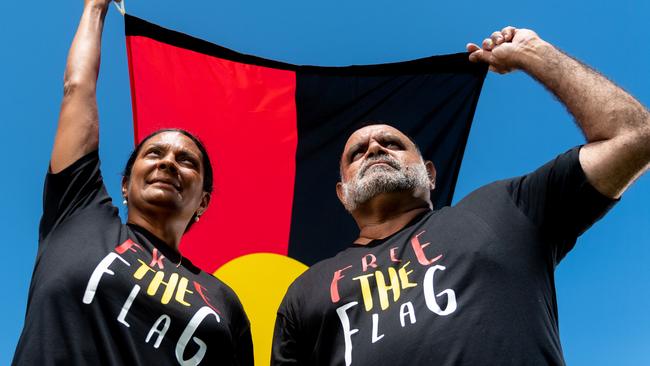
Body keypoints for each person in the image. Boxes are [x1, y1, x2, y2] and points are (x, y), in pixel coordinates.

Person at [271, 26, 650, 365]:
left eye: (391, 142)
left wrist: (534, 54)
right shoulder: (304, 292)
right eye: (357, 152)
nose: (374, 149)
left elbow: (635, 136)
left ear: (430, 174)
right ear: (343, 194)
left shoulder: (506, 207)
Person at [12, 1, 253, 365]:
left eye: (187, 161)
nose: (169, 162)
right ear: (124, 185)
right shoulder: (80, 213)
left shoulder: (223, 302)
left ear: (203, 202)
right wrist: (95, 7)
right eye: (154, 154)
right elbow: (77, 88)